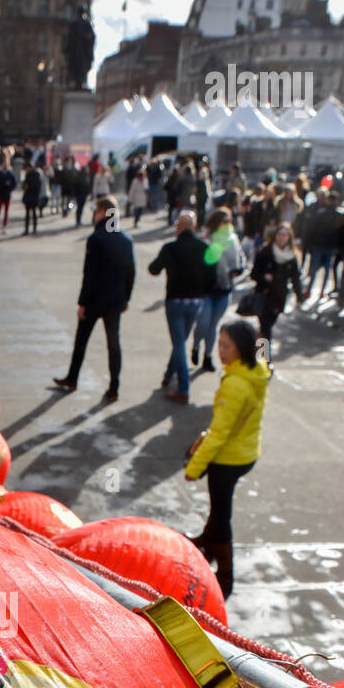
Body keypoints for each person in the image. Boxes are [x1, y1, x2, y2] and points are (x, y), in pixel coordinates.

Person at [184, 320, 270, 598]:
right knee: (219, 508)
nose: (221, 350)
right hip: (246, 451)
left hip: (229, 458)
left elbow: (219, 435)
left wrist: (194, 468)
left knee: (222, 513)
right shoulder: (254, 371)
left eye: (226, 345)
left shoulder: (235, 384)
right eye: (219, 343)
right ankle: (207, 542)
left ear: (242, 347)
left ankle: (225, 574)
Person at [52, 197, 135, 403]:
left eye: (96, 211)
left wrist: (82, 302)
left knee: (82, 340)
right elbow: (130, 273)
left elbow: (89, 274)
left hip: (95, 299)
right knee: (113, 343)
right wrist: (126, 298)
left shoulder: (97, 238)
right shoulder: (125, 240)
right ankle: (114, 385)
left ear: (102, 213)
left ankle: (72, 377)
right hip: (115, 300)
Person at [148, 210, 217, 404]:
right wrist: (202, 291)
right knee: (180, 341)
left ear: (178, 227)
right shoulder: (205, 247)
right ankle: (169, 374)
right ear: (193, 227)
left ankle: (183, 387)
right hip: (195, 302)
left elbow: (153, 269)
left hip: (175, 301)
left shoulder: (170, 248)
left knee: (179, 343)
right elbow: (213, 278)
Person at [191, 210, 244, 373]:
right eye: (222, 222)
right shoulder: (206, 239)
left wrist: (238, 270)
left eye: (228, 222)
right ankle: (196, 345)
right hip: (206, 290)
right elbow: (198, 262)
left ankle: (208, 356)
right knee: (203, 323)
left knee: (213, 325)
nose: (225, 225)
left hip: (224, 289)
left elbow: (241, 259)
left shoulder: (233, 240)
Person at [251, 222, 304, 357]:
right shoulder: (265, 252)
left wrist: (299, 297)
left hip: (279, 297)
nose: (281, 238)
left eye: (285, 235)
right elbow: (254, 273)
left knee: (267, 326)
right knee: (266, 327)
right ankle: (265, 359)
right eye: (279, 235)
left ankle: (258, 348)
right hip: (264, 294)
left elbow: (295, 278)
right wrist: (264, 277)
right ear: (275, 236)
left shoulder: (291, 257)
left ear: (289, 237)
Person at [0, 158, 15, 234]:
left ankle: (4, 226)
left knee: (6, 212)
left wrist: (9, 187)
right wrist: (1, 186)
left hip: (7, 195)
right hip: (0, 194)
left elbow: (14, 183)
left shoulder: (10, 173)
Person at [22, 163, 43, 235]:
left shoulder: (36, 175)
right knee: (28, 214)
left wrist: (29, 187)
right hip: (28, 197)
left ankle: (34, 229)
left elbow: (37, 186)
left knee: (33, 214)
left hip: (33, 197)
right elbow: (24, 183)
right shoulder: (28, 175)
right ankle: (27, 229)